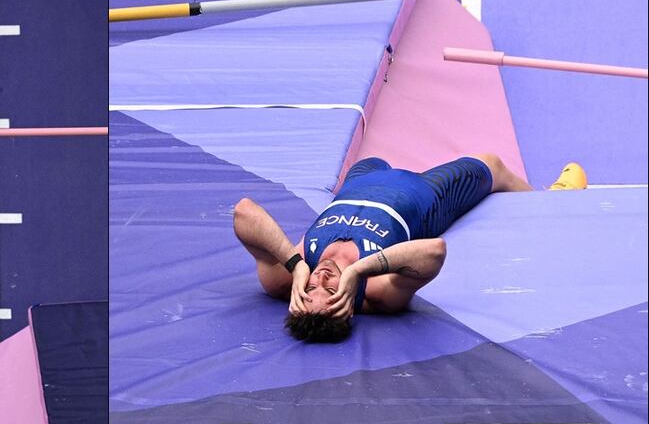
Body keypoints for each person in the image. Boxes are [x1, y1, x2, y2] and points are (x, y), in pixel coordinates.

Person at [233, 154, 587, 342]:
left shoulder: (287, 278)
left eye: (309, 288)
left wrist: (296, 264)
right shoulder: (378, 293)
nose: (320, 277)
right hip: (426, 194)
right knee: (492, 165)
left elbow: (244, 211)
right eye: (329, 289)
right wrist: (358, 270)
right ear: (347, 307)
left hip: (361, 182)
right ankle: (555, 204)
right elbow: (434, 251)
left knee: (370, 156)